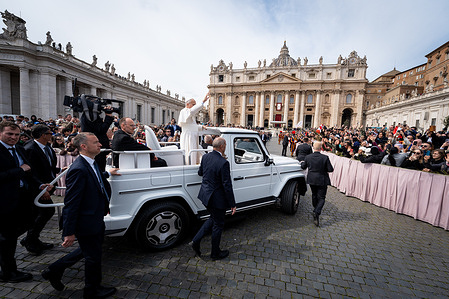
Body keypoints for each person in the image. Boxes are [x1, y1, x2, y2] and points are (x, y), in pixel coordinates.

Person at [42, 132, 119, 297]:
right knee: (93, 257)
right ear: (84, 146)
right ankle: (92, 291)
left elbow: (95, 178)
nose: (100, 144)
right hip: (87, 221)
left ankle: (54, 269)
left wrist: (108, 173)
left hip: (95, 217)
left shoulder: (90, 162)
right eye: (96, 142)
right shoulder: (78, 169)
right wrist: (68, 232)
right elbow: (72, 203)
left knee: (88, 250)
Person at [0, 121, 51, 282]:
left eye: (16, 134)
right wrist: (19, 170)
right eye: (9, 134)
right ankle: (8, 272)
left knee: (17, 231)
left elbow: (29, 172)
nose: (13, 137)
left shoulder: (19, 148)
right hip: (4, 201)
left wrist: (40, 184)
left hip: (22, 197)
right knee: (7, 238)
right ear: (0, 133)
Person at [191, 137, 236, 260]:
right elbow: (227, 185)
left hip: (205, 196)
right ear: (222, 147)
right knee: (218, 225)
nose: (225, 146)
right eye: (225, 144)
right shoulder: (223, 163)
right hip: (217, 200)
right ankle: (215, 253)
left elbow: (200, 173)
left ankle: (195, 241)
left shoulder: (205, 157)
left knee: (213, 218)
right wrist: (232, 204)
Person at [22, 124, 61, 255]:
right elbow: (31, 173)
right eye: (50, 133)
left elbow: (47, 166)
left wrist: (61, 170)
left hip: (46, 186)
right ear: (43, 135)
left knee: (39, 213)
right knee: (47, 211)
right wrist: (41, 189)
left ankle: (32, 238)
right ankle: (30, 240)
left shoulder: (47, 147)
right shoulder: (30, 149)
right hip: (37, 188)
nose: (52, 135)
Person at [300, 141, 334, 227]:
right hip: (322, 179)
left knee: (314, 194)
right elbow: (330, 169)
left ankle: (315, 209)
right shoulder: (325, 157)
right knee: (322, 197)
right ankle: (317, 211)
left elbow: (303, 166)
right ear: (321, 148)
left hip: (312, 179)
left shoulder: (308, 157)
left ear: (313, 148)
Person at [178, 93, 209, 165]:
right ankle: (190, 165)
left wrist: (201, 127)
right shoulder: (184, 111)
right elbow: (192, 111)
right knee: (190, 154)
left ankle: (194, 164)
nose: (194, 106)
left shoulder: (189, 114)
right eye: (193, 104)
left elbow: (191, 126)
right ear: (187, 104)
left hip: (192, 136)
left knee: (194, 153)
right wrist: (203, 102)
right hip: (188, 137)